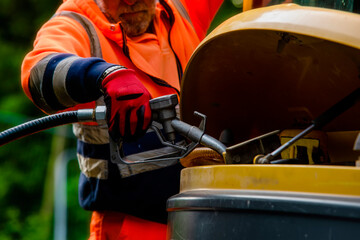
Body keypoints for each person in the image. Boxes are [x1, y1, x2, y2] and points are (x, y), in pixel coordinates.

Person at [21, 0, 224, 239]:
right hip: (127, 227)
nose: (131, 0)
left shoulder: (179, 8)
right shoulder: (76, 23)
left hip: (201, 219)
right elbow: (37, 73)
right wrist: (102, 74)